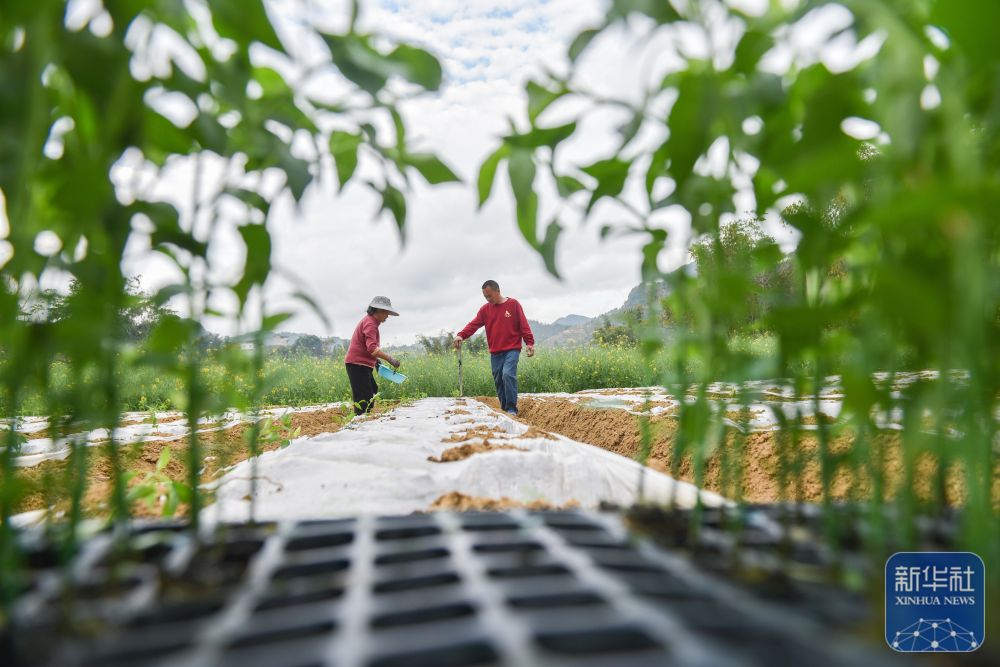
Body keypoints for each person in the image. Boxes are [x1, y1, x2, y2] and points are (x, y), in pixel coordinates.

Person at [453, 280, 534, 415]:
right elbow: (473, 325)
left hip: (512, 349)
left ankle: (512, 408)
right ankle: (504, 409)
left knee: (507, 375)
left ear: (498, 291)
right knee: (498, 380)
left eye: (490, 296)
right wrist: (461, 335)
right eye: (485, 297)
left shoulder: (513, 304)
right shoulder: (485, 310)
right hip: (495, 352)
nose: (488, 299)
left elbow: (523, 325)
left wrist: (529, 343)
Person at [344, 296, 401, 416]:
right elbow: (372, 348)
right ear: (378, 310)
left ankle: (365, 416)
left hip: (362, 364)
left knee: (372, 390)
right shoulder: (370, 323)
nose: (387, 316)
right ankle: (360, 419)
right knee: (363, 397)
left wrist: (376, 361)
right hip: (356, 364)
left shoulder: (371, 322)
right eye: (386, 312)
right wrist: (390, 359)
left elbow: (367, 347)